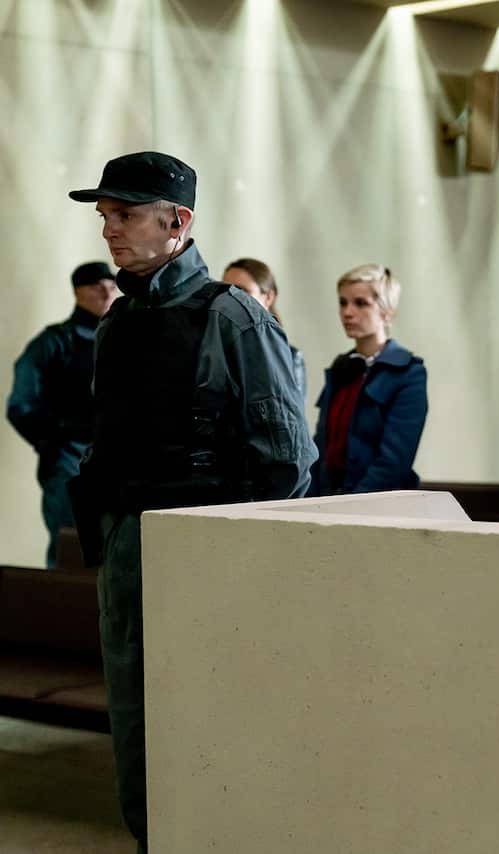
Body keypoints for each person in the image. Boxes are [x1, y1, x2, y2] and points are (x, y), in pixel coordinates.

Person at [67, 150, 315, 852]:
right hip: (129, 553)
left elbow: (286, 459)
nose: (109, 229)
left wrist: (239, 556)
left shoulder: (232, 316)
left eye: (125, 214)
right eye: (105, 216)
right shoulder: (116, 323)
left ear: (178, 221)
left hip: (209, 558)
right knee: (138, 737)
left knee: (216, 734)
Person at [7, 262, 120, 567]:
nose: (106, 291)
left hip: (120, 460)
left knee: (118, 549)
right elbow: (20, 404)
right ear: (77, 292)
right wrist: (53, 442)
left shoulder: (125, 339)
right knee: (71, 546)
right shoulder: (54, 342)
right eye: (97, 285)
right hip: (70, 458)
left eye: (111, 284)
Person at [308, 264, 427, 496]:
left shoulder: (408, 373)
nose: (347, 312)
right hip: (327, 503)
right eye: (343, 302)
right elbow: (322, 444)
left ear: (387, 311)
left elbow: (394, 460)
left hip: (378, 506)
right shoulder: (342, 367)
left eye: (360, 303)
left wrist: (351, 507)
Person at [222, 257, 306, 396]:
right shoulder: (210, 350)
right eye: (225, 290)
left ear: (268, 297)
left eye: (241, 291)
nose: (230, 298)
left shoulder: (290, 358)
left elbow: (291, 415)